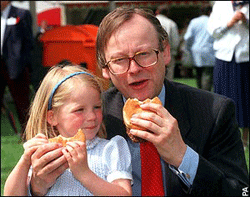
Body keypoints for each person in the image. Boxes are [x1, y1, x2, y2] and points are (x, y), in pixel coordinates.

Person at [25, 7, 249, 196]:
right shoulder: (90, 117)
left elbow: (242, 191)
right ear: (105, 68)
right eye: (119, 60)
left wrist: (183, 156)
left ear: (166, 53)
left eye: (144, 54)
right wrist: (38, 185)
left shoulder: (213, 111)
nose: (134, 69)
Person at [4, 65, 132, 196]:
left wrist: (84, 174)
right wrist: (25, 161)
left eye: (97, 107)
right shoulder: (45, 153)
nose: (92, 116)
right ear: (52, 117)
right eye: (79, 110)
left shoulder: (111, 149)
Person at [207, 1, 249, 148]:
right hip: (224, 57)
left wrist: (245, 21)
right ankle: (225, 137)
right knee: (223, 99)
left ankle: (245, 139)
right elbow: (213, 31)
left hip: (245, 58)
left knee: (245, 99)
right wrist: (229, 23)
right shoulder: (220, 4)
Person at [1, 1, 34, 135]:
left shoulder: (21, 14)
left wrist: (23, 62)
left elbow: (28, 41)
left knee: (22, 103)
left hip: (16, 65)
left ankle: (28, 132)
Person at [184, 6, 215, 91]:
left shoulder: (194, 22)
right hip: (210, 51)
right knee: (207, 75)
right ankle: (205, 94)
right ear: (210, 12)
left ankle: (200, 91)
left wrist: (188, 48)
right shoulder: (212, 21)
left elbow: (188, 37)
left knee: (198, 73)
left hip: (196, 51)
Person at [155, 4, 180, 80]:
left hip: (153, 53)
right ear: (167, 13)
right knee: (169, 77)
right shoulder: (171, 23)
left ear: (157, 11)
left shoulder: (149, 22)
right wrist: (174, 51)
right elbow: (175, 41)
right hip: (168, 52)